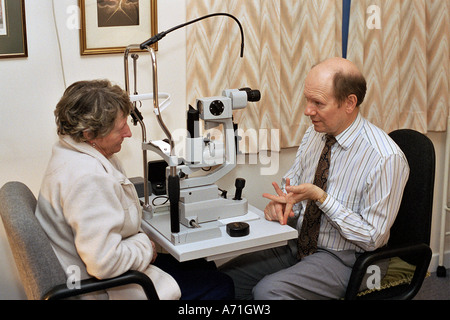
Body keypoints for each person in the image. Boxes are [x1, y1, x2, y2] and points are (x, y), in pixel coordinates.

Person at [220, 57, 410, 300]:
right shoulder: (315, 134)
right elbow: (295, 188)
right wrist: (284, 207)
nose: (308, 111)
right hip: (298, 242)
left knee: (268, 292)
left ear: (350, 102)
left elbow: (373, 238)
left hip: (348, 259)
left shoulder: (385, 158)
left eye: (318, 103)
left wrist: (321, 198)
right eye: (307, 100)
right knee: (224, 280)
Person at [35, 79, 234, 300]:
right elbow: (104, 264)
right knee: (220, 285)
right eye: (120, 128)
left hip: (100, 273)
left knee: (202, 265)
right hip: (107, 288)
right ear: (90, 134)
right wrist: (146, 246)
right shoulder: (88, 177)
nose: (129, 133)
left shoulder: (70, 152)